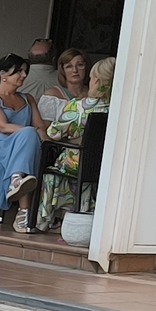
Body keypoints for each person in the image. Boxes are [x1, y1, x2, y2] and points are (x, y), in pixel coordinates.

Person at [36, 54, 113, 232]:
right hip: (106, 165)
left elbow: (53, 133)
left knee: (54, 172)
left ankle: (45, 220)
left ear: (96, 81)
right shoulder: (120, 107)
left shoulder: (78, 106)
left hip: (77, 162)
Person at [0, 54, 48, 230]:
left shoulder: (28, 98)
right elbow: (2, 126)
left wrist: (48, 146)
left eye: (25, 71)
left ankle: (17, 181)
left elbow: (40, 127)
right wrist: (29, 133)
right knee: (28, 139)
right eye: (19, 71)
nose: (24, 75)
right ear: (4, 75)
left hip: (21, 147)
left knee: (34, 146)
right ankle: (24, 209)